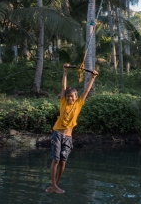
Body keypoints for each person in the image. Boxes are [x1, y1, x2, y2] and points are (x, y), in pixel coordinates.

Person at [46, 64, 98, 194]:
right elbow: (63, 87)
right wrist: (65, 72)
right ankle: (53, 184)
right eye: (68, 96)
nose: (69, 98)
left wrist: (92, 78)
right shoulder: (63, 102)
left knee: (63, 162)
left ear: (75, 98)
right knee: (56, 159)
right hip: (58, 135)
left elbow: (86, 91)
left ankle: (55, 185)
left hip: (68, 137)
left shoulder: (79, 104)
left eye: (72, 96)